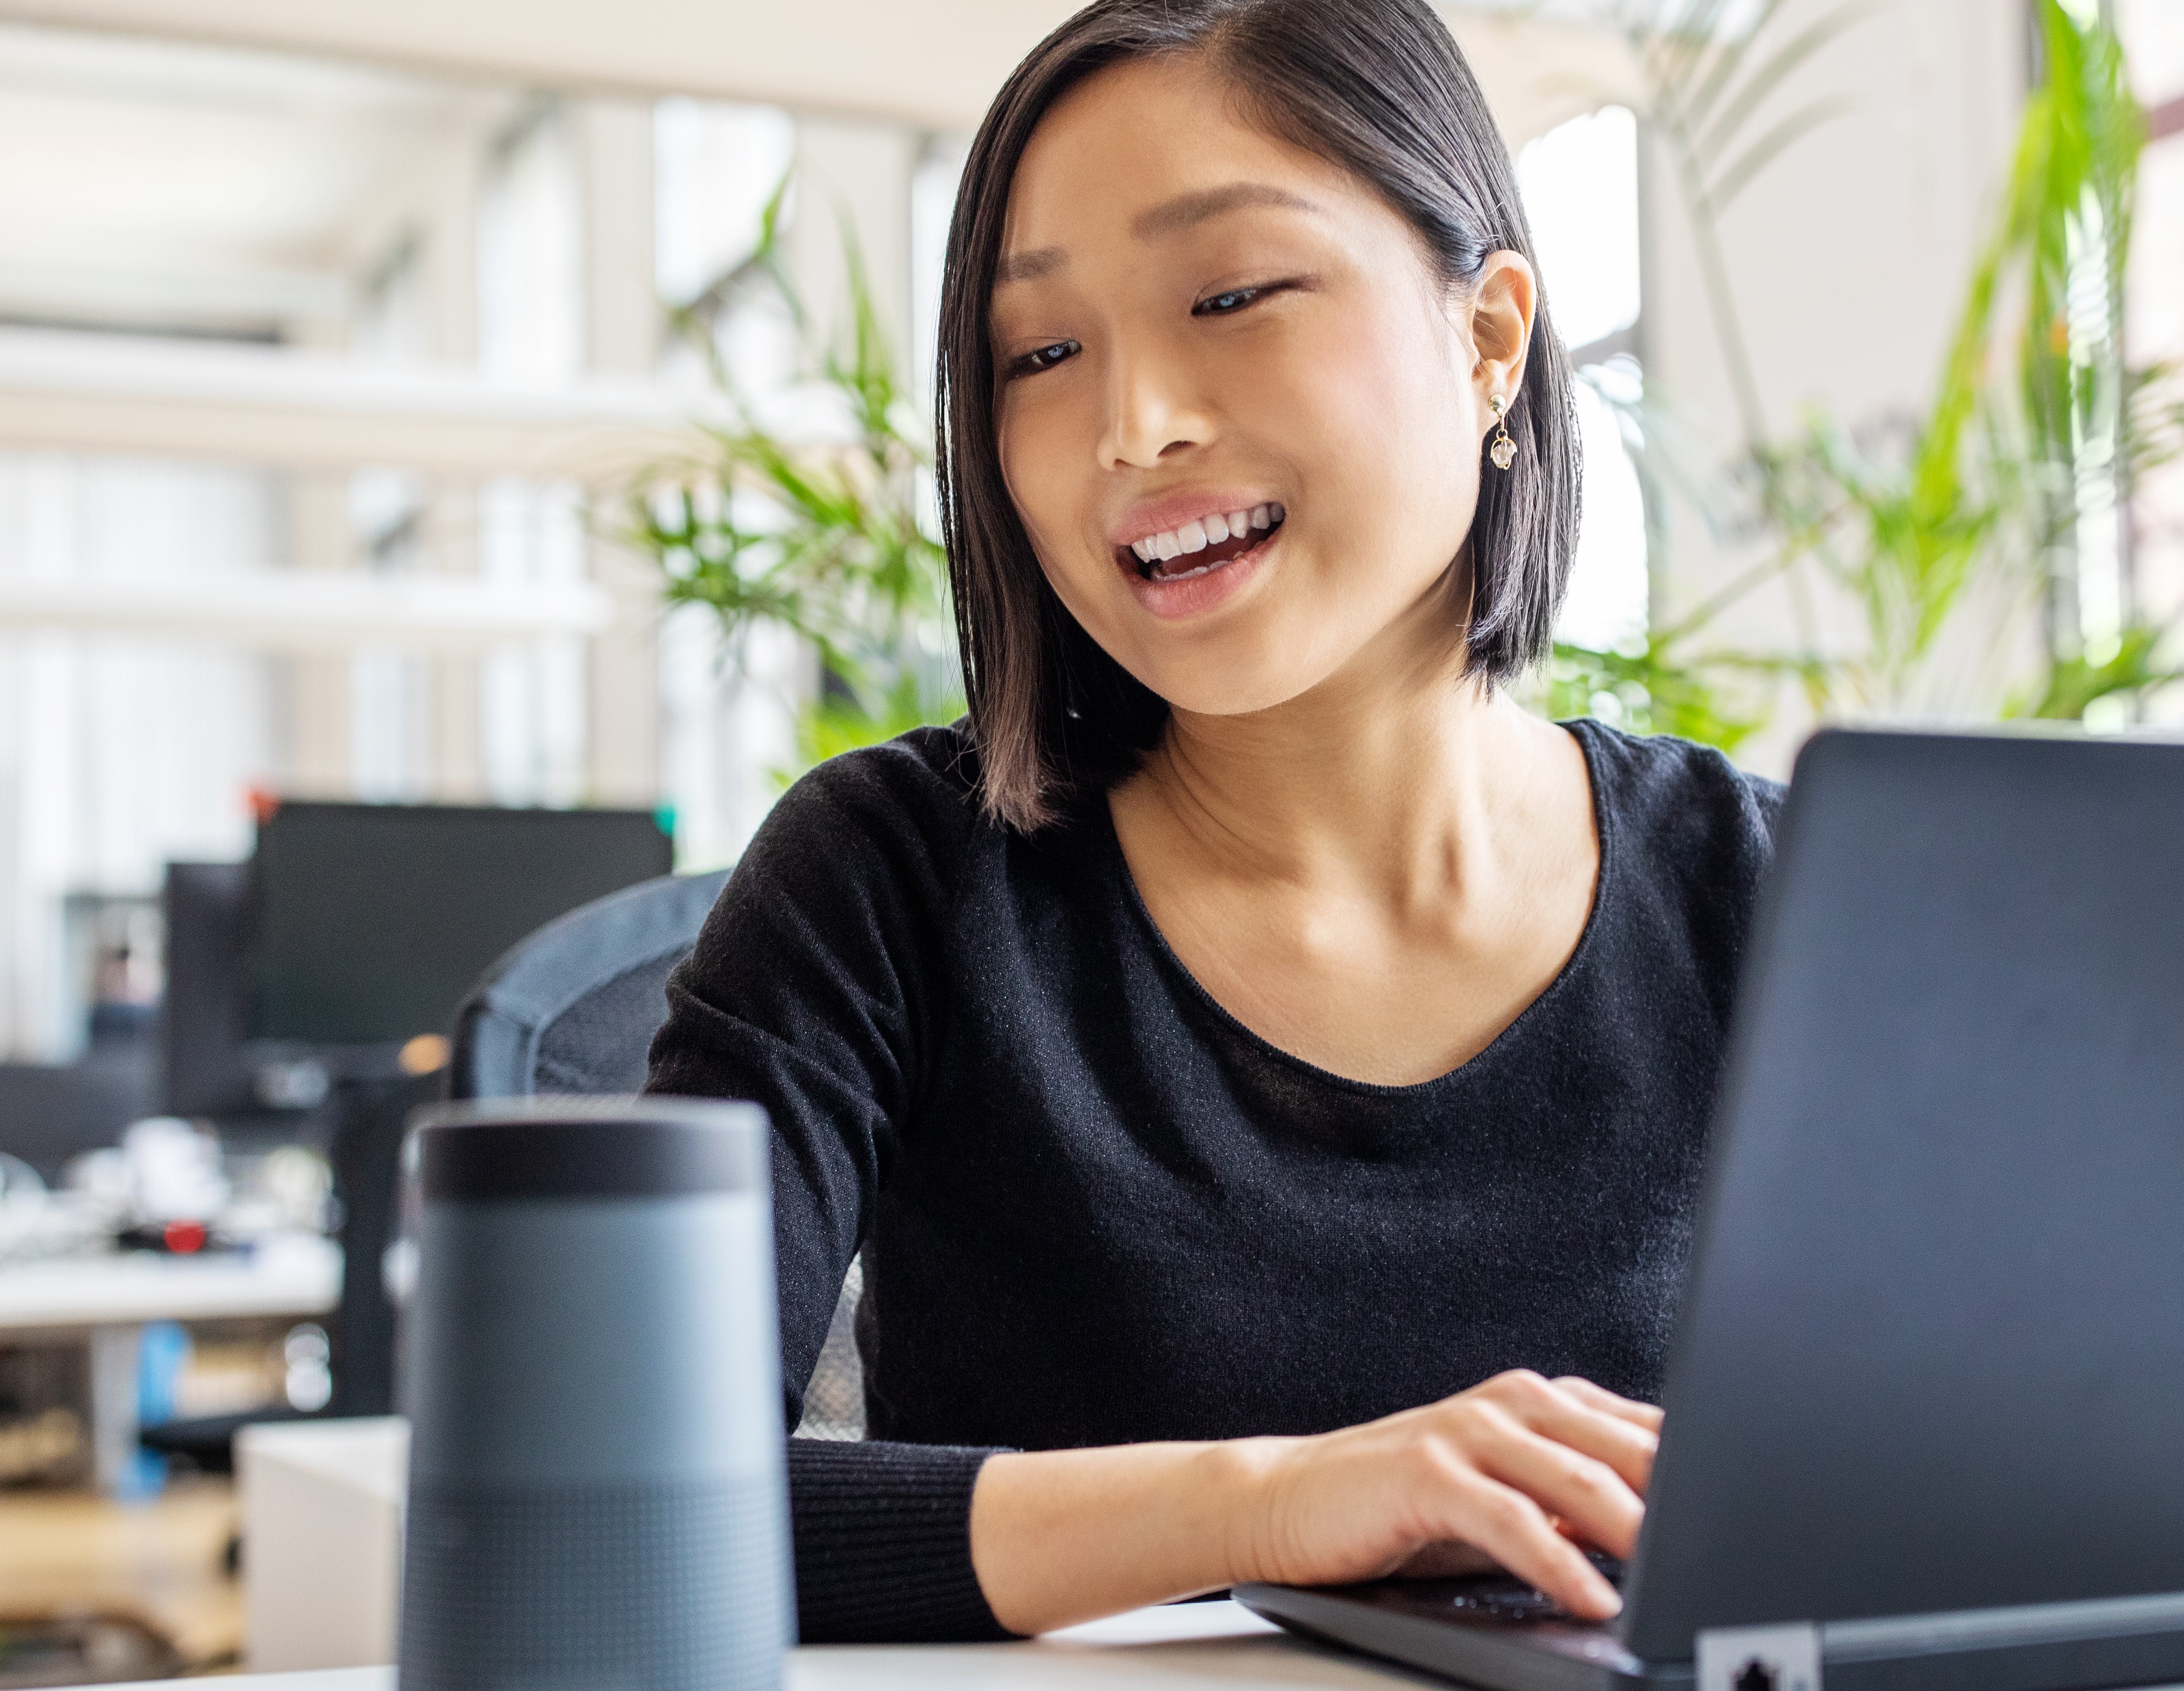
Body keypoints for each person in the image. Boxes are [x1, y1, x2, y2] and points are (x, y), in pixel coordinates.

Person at [643, 0, 1781, 1643]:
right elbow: (624, 1497)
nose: (1133, 427)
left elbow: (2033, 1449)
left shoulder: (1772, 893)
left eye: (1233, 295)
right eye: (1040, 355)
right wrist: (1267, 1505)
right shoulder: (885, 882)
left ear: (1490, 341)